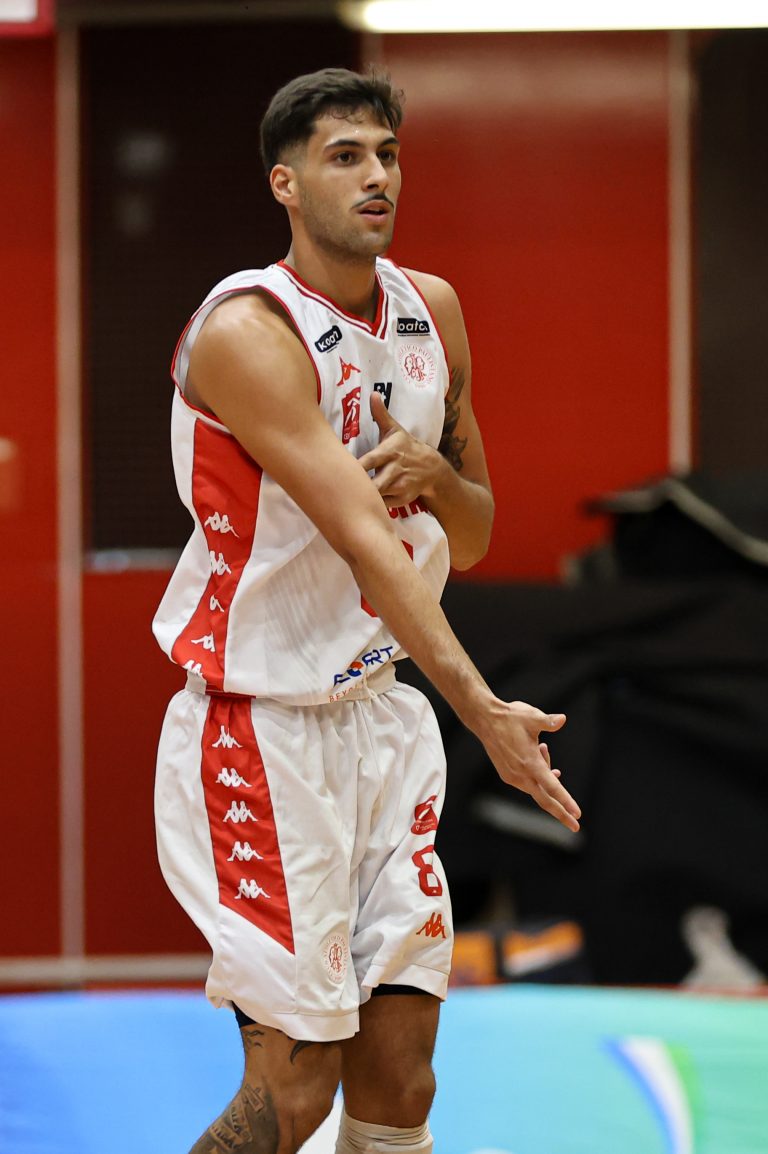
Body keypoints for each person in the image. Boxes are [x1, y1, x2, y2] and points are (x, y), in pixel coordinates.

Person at [153, 66, 581, 1154]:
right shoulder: (249, 330)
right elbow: (362, 540)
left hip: (382, 716)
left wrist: (436, 478)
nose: (377, 176)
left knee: (400, 1080)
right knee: (292, 1095)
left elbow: (471, 535)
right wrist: (484, 710)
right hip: (261, 727)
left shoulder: (433, 311)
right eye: (346, 157)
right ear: (286, 184)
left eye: (388, 154)